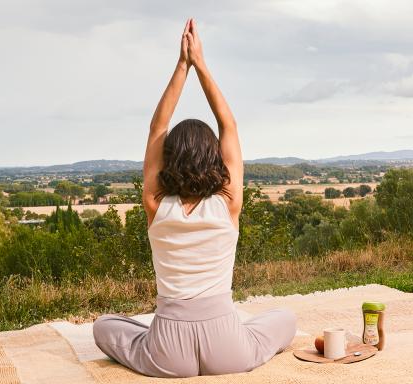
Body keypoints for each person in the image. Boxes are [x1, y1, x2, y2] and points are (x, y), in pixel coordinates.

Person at [91, 18, 297, 378]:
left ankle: (157, 339)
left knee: (105, 325)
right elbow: (228, 125)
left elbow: (158, 128)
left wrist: (181, 67)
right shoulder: (228, 201)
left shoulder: (156, 204)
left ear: (171, 158)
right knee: (284, 319)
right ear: (213, 157)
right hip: (227, 347)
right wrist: (201, 64)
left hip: (168, 350)